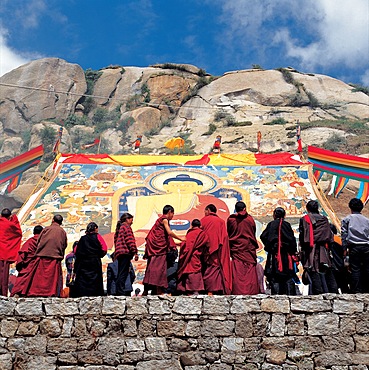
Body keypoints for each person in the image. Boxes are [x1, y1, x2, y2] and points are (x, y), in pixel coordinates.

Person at [12, 214, 68, 297]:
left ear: (52, 220)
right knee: (52, 278)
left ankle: (37, 292)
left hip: (42, 256)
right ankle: (52, 293)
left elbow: (39, 242)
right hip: (55, 257)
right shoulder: (62, 232)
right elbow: (64, 245)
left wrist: (41, 251)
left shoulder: (46, 229)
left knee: (40, 277)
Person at [143, 205, 184, 295]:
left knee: (151, 268)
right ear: (169, 212)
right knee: (159, 270)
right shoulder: (164, 219)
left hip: (156, 248)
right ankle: (158, 290)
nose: (172, 216)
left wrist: (177, 244)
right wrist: (181, 239)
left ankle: (147, 291)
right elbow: (169, 232)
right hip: (159, 250)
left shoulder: (159, 221)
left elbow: (165, 238)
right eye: (172, 214)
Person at [299, 200, 337, 295]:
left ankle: (318, 292)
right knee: (326, 269)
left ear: (307, 209)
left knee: (313, 269)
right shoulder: (324, 219)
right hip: (323, 248)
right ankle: (333, 291)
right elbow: (329, 235)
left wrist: (302, 250)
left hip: (311, 248)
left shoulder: (305, 219)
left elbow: (303, 236)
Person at [260, 207, 298, 295]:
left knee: (274, 275)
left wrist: (270, 246)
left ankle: (276, 295)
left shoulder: (271, 224)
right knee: (287, 275)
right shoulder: (287, 225)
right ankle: (289, 295)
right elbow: (292, 240)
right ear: (284, 215)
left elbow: (263, 236)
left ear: (274, 215)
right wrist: (294, 252)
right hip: (286, 255)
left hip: (274, 254)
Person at [227, 201, 259, 295]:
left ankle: (237, 292)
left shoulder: (231, 220)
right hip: (248, 249)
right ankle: (251, 292)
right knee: (249, 272)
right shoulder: (250, 220)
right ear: (244, 209)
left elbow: (229, 232)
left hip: (237, 249)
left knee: (238, 271)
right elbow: (252, 231)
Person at [201, 204, 232, 295]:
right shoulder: (221, 222)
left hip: (206, 249)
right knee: (215, 268)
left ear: (208, 210)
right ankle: (217, 290)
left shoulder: (203, 220)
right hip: (217, 250)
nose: (205, 213)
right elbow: (224, 237)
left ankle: (209, 291)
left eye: (205, 211)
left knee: (207, 269)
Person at [341, 198, 369, 293]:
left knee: (355, 269)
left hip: (354, 247)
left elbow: (344, 235)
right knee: (366, 268)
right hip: (366, 247)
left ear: (350, 207)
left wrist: (344, 248)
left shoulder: (347, 219)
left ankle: (356, 290)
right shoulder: (367, 220)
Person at [74, 222, 107, 297]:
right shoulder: (98, 237)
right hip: (94, 261)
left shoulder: (82, 238)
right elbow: (104, 248)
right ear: (95, 228)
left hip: (83, 263)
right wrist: (100, 255)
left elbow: (76, 250)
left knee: (83, 279)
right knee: (95, 280)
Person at [177, 219, 209, 295]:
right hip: (196, 255)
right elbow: (207, 243)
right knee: (195, 271)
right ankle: (195, 289)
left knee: (188, 270)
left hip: (188, 255)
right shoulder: (202, 233)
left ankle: (187, 289)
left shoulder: (189, 233)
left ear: (192, 225)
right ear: (200, 226)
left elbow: (185, 244)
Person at [11, 225, 43, 296]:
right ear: (42, 233)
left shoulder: (29, 241)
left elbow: (22, 253)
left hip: (28, 265)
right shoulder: (43, 242)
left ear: (33, 232)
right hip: (39, 266)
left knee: (22, 279)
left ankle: (19, 293)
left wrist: (19, 265)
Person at [114, 213, 138, 296]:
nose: (132, 222)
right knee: (123, 273)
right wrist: (135, 252)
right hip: (125, 252)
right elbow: (129, 240)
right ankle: (120, 291)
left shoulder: (120, 228)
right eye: (131, 219)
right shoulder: (126, 227)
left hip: (120, 253)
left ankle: (119, 290)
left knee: (121, 272)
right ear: (127, 219)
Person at [0, 208, 22, 296]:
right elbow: (18, 233)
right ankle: (2, 293)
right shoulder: (10, 225)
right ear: (9, 217)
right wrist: (15, 220)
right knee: (3, 277)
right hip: (4, 253)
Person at [329, 224, 350, 294]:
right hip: (341, 264)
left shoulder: (328, 240)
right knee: (344, 285)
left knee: (333, 285)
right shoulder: (339, 240)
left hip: (333, 264)